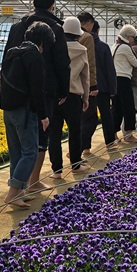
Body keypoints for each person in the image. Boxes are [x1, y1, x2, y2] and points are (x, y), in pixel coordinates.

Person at [3, 0, 70, 191]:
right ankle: (32, 181)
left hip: (15, 90)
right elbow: (62, 63)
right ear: (52, 5)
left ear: (33, 3)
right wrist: (63, 90)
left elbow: (7, 57)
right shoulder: (55, 28)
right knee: (40, 135)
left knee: (18, 144)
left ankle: (20, 185)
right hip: (43, 89)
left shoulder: (17, 26)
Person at [0, 21, 54, 207]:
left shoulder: (12, 52)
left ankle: (20, 191)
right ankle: (13, 193)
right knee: (30, 152)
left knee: (16, 152)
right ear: (43, 41)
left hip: (8, 109)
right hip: (24, 109)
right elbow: (37, 89)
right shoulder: (34, 56)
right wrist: (43, 115)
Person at [49, 17, 90, 177]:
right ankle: (75, 164)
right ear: (78, 34)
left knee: (54, 134)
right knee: (75, 131)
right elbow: (85, 77)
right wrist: (85, 97)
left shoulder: (53, 46)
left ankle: (56, 170)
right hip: (73, 96)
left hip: (55, 96)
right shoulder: (82, 50)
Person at [111, 24, 137, 143]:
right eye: (132, 37)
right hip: (123, 79)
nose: (133, 40)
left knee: (117, 108)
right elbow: (135, 63)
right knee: (128, 107)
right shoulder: (125, 47)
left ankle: (113, 134)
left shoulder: (115, 45)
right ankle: (128, 134)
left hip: (115, 79)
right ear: (128, 36)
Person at [89, 21, 118, 148]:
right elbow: (110, 70)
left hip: (87, 87)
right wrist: (113, 89)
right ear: (97, 30)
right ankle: (110, 141)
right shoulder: (103, 47)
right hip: (103, 87)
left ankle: (85, 146)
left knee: (88, 118)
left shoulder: (81, 45)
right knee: (106, 114)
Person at [77, 11, 99, 156]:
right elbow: (90, 62)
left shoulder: (64, 36)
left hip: (68, 85)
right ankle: (81, 148)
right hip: (83, 84)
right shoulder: (87, 37)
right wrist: (93, 85)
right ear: (89, 23)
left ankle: (75, 150)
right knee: (90, 117)